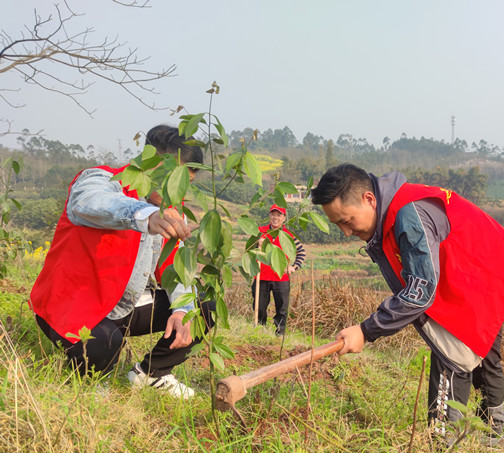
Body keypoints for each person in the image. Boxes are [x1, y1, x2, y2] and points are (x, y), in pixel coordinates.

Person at [311, 164, 504, 444]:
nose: (344, 231)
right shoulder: (394, 210)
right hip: (491, 273)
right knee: (481, 345)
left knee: (451, 352)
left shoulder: (409, 216)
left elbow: (420, 291)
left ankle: (442, 445)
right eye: (337, 224)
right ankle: (492, 431)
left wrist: (366, 331)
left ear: (369, 199)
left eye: (348, 220)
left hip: (498, 277)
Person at [29, 124, 215, 399]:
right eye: (173, 178)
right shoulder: (100, 181)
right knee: (104, 344)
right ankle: (91, 381)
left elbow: (175, 269)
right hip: (71, 304)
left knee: (202, 308)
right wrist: (145, 214)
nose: (178, 190)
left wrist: (182, 309)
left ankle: (153, 374)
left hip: (120, 305)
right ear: (150, 162)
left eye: (186, 183)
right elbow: (89, 202)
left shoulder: (170, 213)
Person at [251, 204, 306, 335]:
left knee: (282, 309)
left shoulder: (289, 236)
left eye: (279, 215)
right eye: (273, 214)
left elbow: (301, 252)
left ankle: (279, 334)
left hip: (281, 277)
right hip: (261, 276)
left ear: (284, 218)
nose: (275, 217)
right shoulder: (260, 231)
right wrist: (256, 245)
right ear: (269, 216)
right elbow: (249, 251)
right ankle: (260, 331)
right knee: (259, 307)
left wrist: (293, 267)